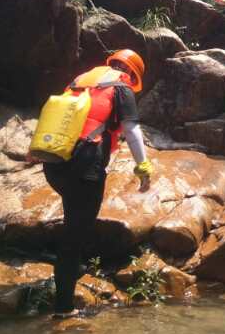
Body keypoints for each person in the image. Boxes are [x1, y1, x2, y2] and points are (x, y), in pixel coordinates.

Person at [40, 49, 153, 318]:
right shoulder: (121, 87)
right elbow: (131, 130)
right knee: (74, 234)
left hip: (53, 163)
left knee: (75, 220)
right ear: (132, 73)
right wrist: (143, 167)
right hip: (85, 165)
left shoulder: (81, 80)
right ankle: (64, 308)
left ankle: (73, 267)